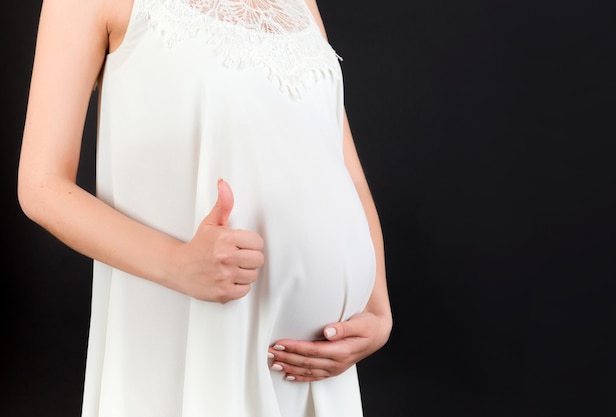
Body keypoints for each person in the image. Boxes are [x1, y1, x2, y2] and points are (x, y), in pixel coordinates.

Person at [17, 0, 393, 416]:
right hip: (194, 340)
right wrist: (177, 263)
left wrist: (377, 308)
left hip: (317, 367)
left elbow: (343, 166)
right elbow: (41, 185)